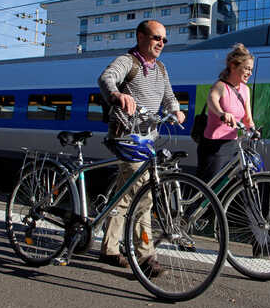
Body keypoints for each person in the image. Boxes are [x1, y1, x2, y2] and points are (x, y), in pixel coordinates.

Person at [98, 20, 185, 276]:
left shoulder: (161, 68)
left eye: (164, 39)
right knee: (144, 195)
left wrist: (175, 110)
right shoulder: (128, 61)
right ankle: (146, 257)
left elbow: (168, 96)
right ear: (140, 36)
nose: (161, 43)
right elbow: (106, 78)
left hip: (148, 141)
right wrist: (117, 95)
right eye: (156, 37)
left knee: (125, 195)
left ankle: (110, 248)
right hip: (126, 138)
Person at [196, 43, 255, 183]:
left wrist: (252, 129)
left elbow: (247, 119)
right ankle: (196, 205)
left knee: (231, 185)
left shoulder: (245, 90)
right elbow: (212, 102)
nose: (250, 73)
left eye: (251, 70)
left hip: (232, 144)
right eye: (246, 69)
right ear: (233, 66)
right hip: (213, 146)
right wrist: (222, 113)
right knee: (209, 186)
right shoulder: (220, 86)